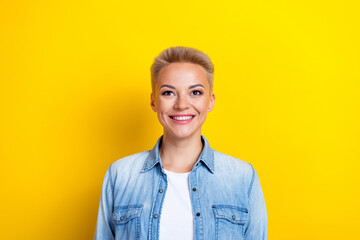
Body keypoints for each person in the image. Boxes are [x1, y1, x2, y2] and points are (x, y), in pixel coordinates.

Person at [94, 46, 268, 240]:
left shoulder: (243, 178)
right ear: (154, 101)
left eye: (195, 92)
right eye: (169, 93)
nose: (182, 104)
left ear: (210, 101)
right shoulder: (120, 174)